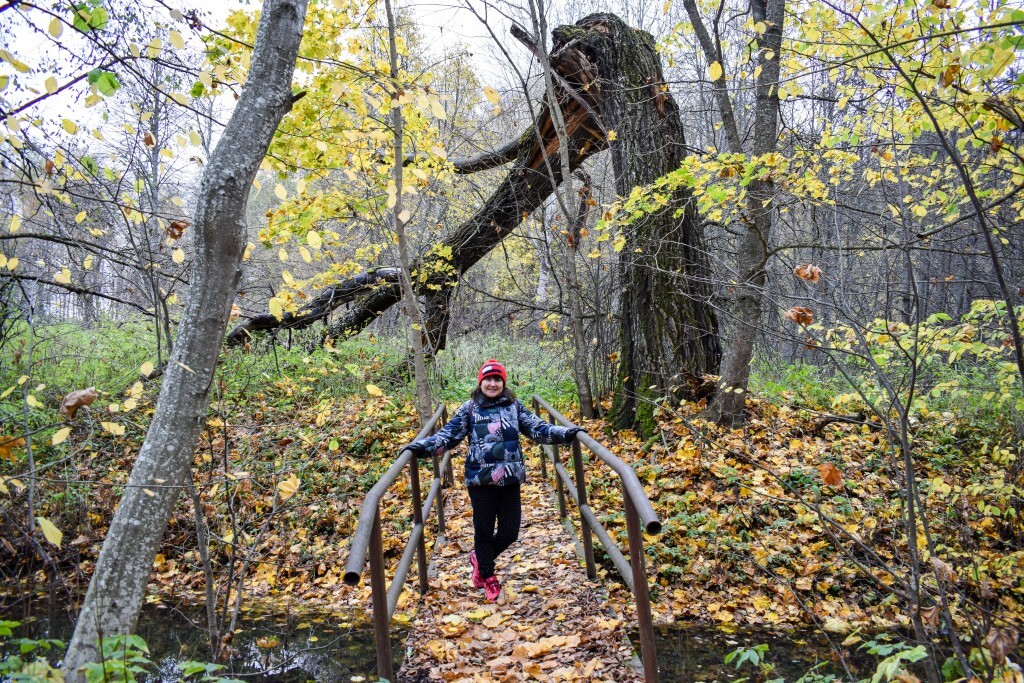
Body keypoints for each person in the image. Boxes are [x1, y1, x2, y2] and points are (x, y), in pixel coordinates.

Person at [401, 359, 586, 602]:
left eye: (497, 379)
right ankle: (488, 577)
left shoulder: (514, 407)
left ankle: (479, 557)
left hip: (510, 479)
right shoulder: (469, 408)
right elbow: (448, 435)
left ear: (503, 382)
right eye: (488, 379)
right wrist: (421, 448)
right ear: (480, 382)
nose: (492, 383)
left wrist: (565, 433)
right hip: (480, 481)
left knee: (510, 532)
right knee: (484, 530)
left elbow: (536, 427)